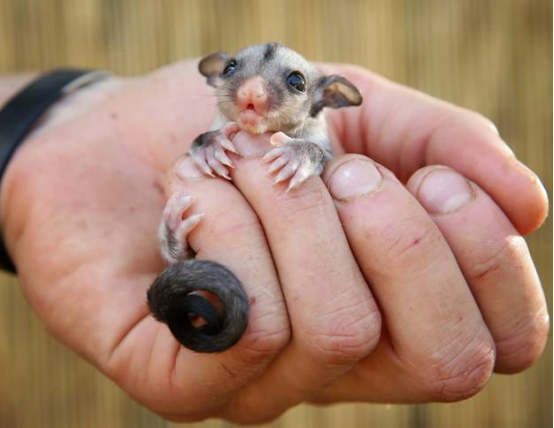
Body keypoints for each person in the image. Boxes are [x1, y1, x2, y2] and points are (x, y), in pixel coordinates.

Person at [0, 61, 548, 424]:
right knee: (187, 220)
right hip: (193, 261)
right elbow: (200, 153)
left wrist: (35, 127)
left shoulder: (312, 141)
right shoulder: (210, 136)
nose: (252, 91)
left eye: (286, 82)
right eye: (236, 71)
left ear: (323, 100)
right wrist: (55, 137)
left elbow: (317, 157)